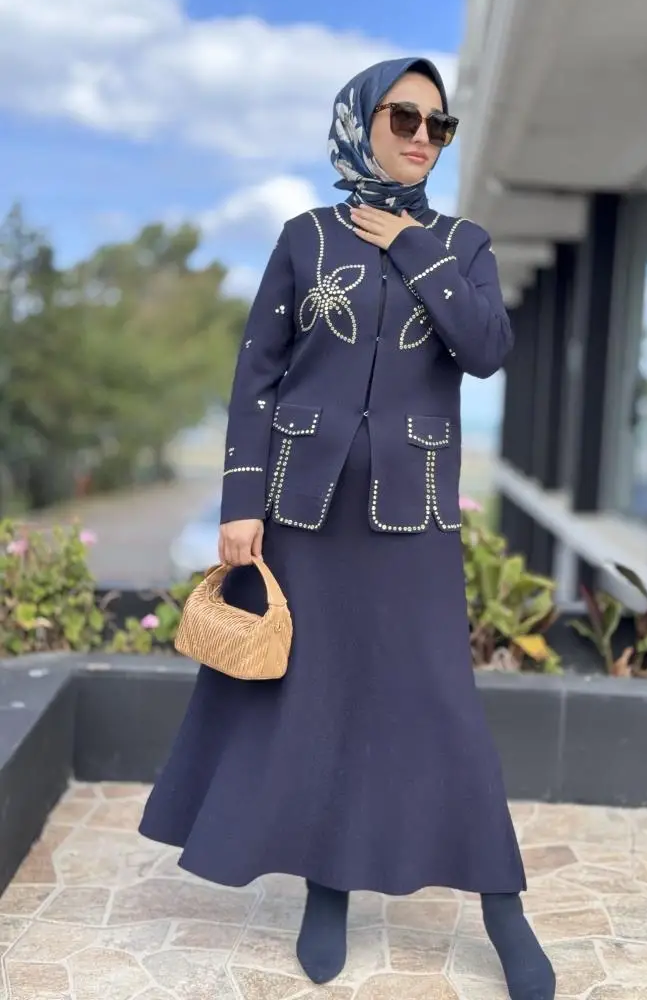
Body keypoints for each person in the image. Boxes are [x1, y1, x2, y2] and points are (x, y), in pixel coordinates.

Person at [139, 57, 556, 1000]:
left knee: (442, 707)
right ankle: (325, 890)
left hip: (412, 516)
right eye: (403, 117)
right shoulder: (305, 239)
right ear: (361, 122)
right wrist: (240, 501)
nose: (421, 137)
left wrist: (412, 247)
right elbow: (257, 374)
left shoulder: (462, 245)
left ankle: (505, 911)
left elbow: (487, 350)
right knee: (318, 699)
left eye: (438, 126)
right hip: (303, 513)